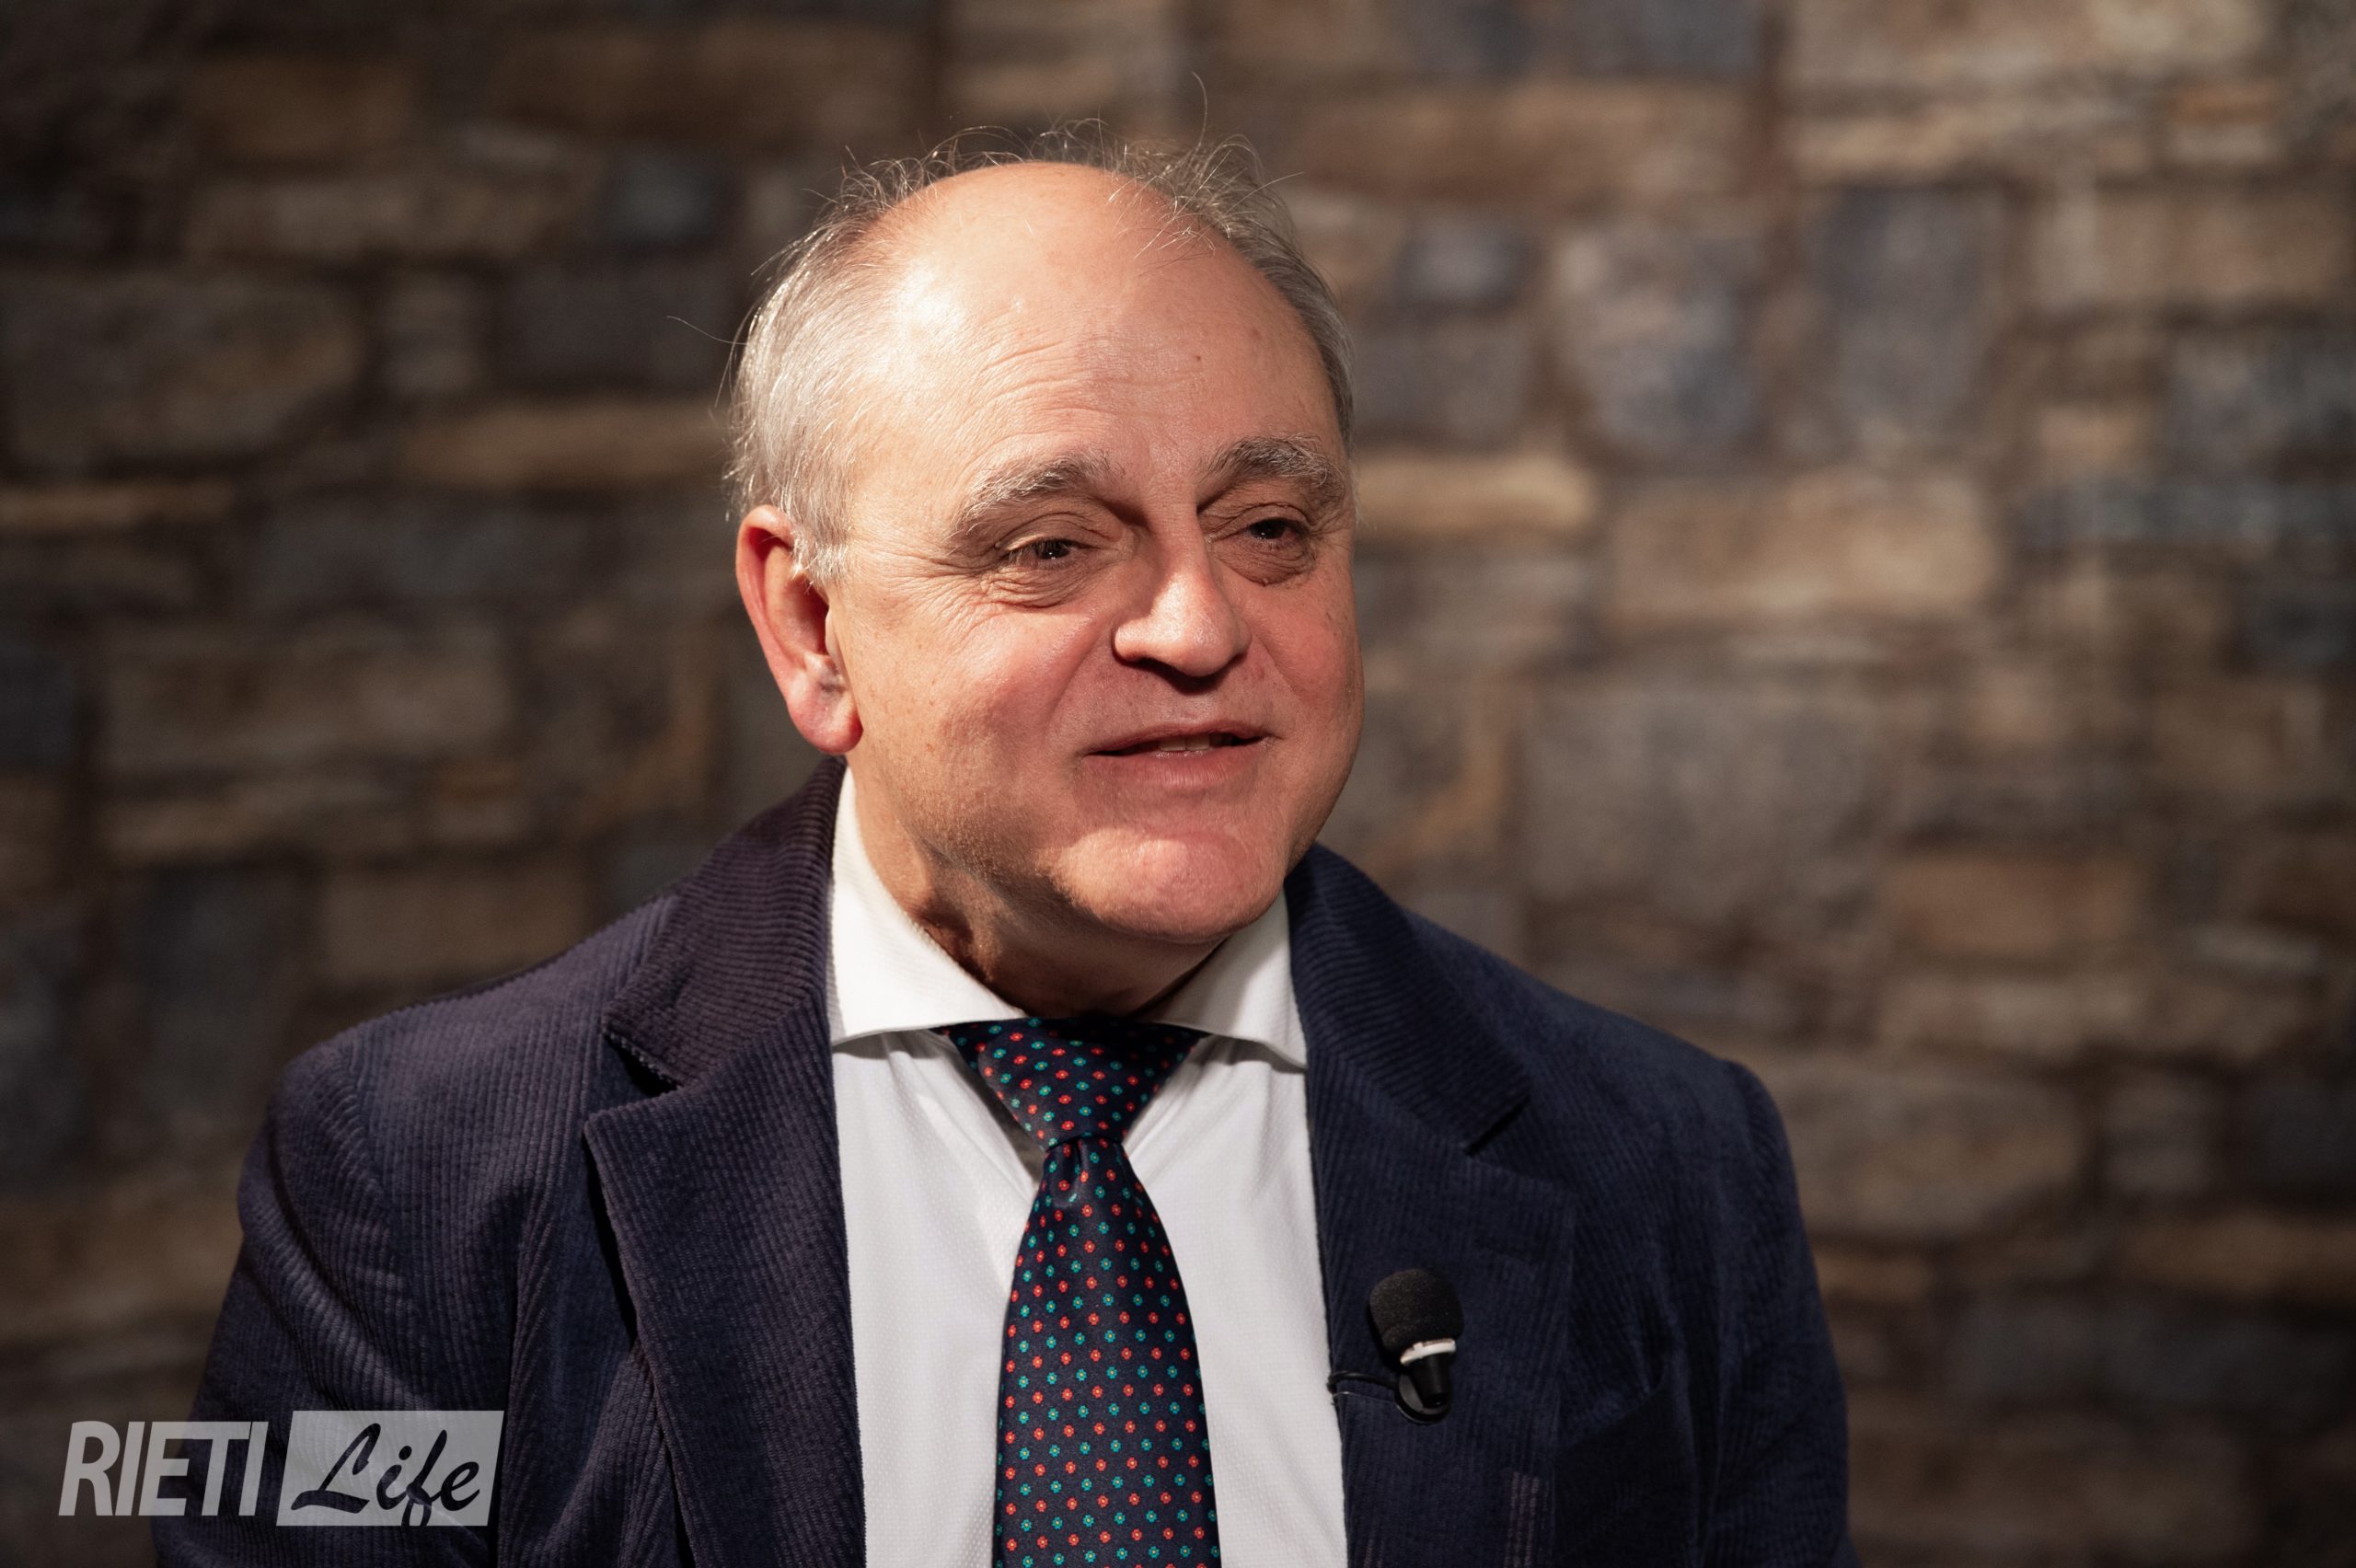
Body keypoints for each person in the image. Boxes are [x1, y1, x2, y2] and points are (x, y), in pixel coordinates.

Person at [158, 131, 1854, 1567]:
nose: (1199, 625)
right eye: (1052, 547)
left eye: (1270, 528)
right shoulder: (419, 1179)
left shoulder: (1666, 1169)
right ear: (813, 628)